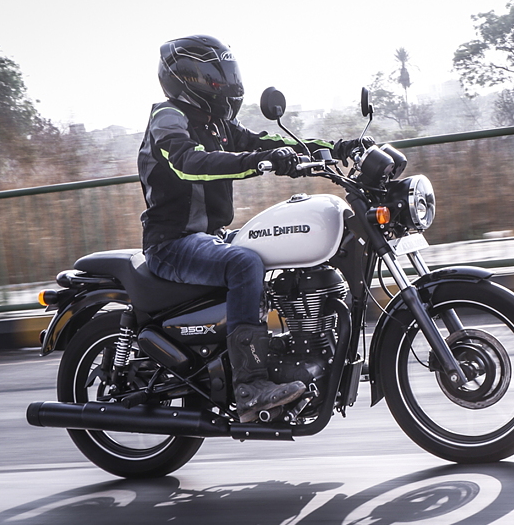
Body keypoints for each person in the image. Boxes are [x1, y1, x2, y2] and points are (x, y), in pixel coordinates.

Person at [137, 35, 367, 422]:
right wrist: (263, 161)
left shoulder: (220, 124)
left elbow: (272, 142)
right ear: (190, 77)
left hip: (209, 237)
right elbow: (188, 162)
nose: (226, 82)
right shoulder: (169, 117)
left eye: (227, 72)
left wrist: (337, 148)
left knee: (274, 251)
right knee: (245, 264)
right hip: (172, 243)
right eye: (218, 75)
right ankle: (251, 386)